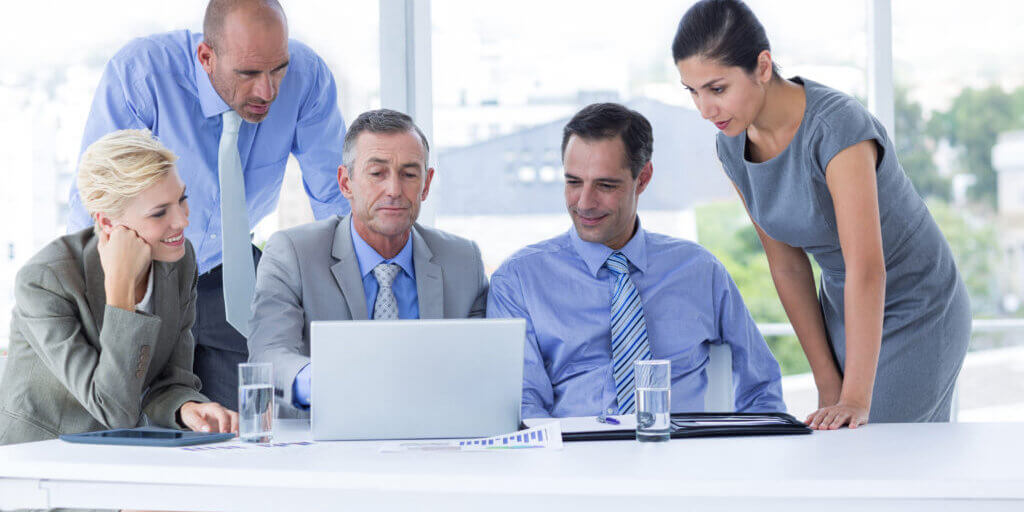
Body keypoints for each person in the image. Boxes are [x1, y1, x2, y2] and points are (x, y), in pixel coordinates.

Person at [673, 0, 971, 428]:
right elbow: (787, 266)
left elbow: (867, 267)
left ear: (762, 67)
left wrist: (854, 397)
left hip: (917, 301)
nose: (705, 109)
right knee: (843, 444)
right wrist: (828, 380)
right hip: (845, 306)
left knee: (873, 445)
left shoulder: (837, 128)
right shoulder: (731, 145)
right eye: (692, 91)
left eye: (717, 89)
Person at [65, 0, 351, 409]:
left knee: (250, 421)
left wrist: (353, 310)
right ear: (206, 57)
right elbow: (96, 201)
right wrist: (109, 304)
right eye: (248, 74)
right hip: (146, 277)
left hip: (230, 277)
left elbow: (336, 199)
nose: (267, 91)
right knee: (135, 418)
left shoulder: (306, 79)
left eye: (278, 69)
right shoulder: (142, 75)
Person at [487, 103, 785, 419]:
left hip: (683, 446)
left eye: (605, 185)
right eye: (573, 182)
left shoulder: (700, 271)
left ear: (642, 179)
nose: (584, 203)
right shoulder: (519, 280)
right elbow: (523, 406)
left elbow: (762, 390)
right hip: (575, 446)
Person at [0, 130, 236, 447]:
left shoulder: (179, 262)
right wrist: (121, 288)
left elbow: (171, 379)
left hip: (118, 453)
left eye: (182, 199)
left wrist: (186, 408)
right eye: (159, 212)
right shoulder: (45, 281)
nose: (182, 221)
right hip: (40, 455)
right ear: (109, 223)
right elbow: (113, 410)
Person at [247, 109, 489, 417]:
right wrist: (327, 382)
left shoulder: (463, 261)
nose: (394, 190)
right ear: (345, 182)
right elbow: (268, 355)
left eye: (409, 174)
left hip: (435, 433)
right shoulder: (292, 253)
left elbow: (484, 365)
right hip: (328, 433)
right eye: (377, 174)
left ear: (426, 184)